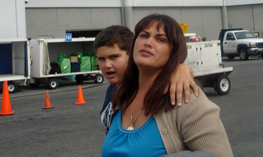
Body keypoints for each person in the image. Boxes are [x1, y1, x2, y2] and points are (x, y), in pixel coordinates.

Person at [102, 14, 233, 157]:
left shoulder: (187, 99)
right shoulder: (120, 94)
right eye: (144, 35)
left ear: (173, 53)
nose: (148, 42)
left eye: (160, 39)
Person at [94, 25, 198, 134]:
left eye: (114, 57)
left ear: (132, 54)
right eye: (101, 59)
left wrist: (182, 69)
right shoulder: (112, 90)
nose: (107, 65)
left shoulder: (144, 86)